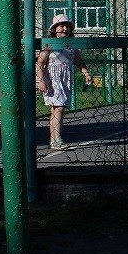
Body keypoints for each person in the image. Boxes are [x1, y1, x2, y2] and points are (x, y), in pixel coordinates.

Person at [36, 13, 92, 151]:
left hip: (65, 79)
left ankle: (54, 139)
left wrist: (86, 73)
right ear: (54, 29)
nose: (65, 29)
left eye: (67, 26)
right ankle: (57, 139)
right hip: (52, 79)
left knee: (57, 109)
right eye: (61, 26)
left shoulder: (72, 46)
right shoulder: (50, 45)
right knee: (58, 108)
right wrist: (41, 80)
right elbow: (39, 63)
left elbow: (78, 61)